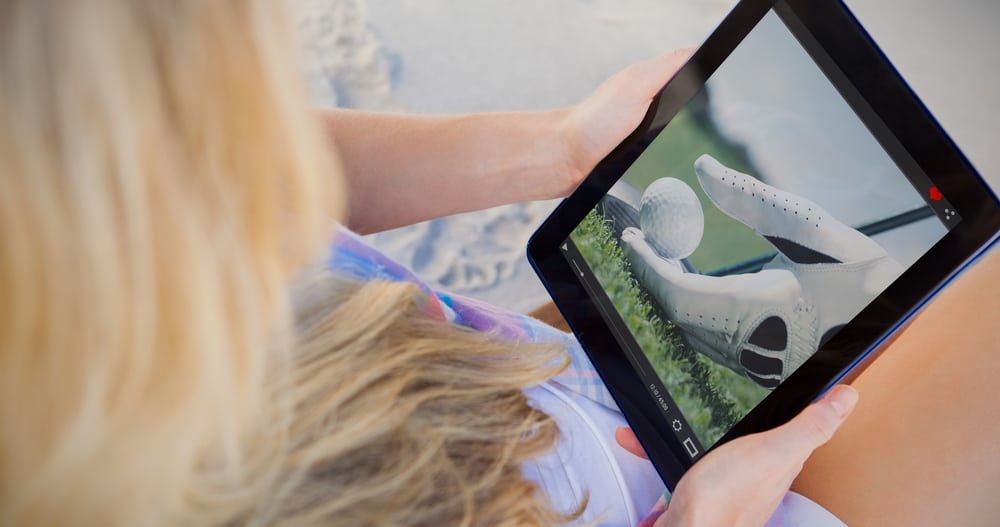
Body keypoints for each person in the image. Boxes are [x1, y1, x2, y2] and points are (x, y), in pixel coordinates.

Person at [1, 1, 996, 526]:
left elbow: (232, 177)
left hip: (506, 379)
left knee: (854, 312)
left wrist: (560, 147)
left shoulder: (74, 180)